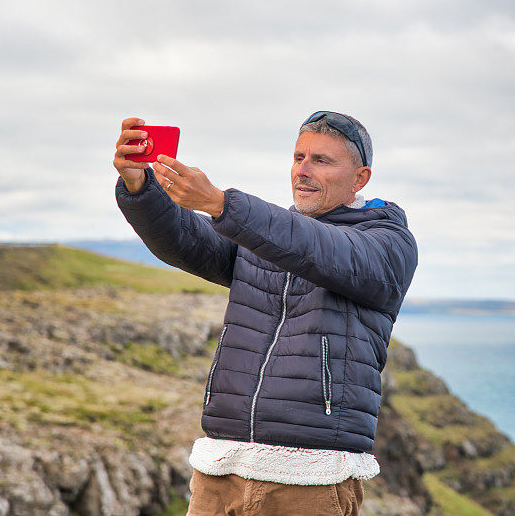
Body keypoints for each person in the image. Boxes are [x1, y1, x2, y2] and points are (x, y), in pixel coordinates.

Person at [113, 111, 418, 515]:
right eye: (298, 157)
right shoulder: (268, 234)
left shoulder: (388, 242)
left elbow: (324, 250)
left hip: (310, 477)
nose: (302, 171)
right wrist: (141, 186)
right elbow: (189, 239)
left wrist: (221, 204)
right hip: (221, 470)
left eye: (321, 161)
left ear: (360, 178)